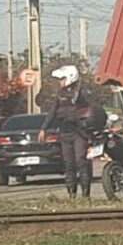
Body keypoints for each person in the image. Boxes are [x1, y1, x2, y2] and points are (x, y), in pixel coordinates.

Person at [39, 65, 93, 198]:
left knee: (81, 162)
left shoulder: (82, 93)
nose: (60, 82)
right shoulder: (60, 95)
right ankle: (72, 195)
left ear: (70, 77)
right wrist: (43, 129)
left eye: (62, 79)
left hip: (79, 132)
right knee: (69, 164)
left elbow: (93, 109)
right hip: (65, 132)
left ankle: (85, 195)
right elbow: (52, 112)